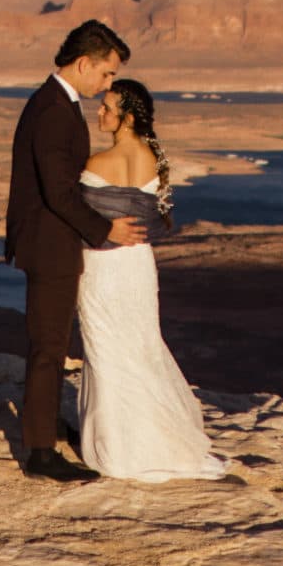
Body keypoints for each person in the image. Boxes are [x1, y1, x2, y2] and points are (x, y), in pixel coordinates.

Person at [5, 20, 146, 482]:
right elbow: (58, 193)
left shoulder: (59, 104)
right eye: (106, 74)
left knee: (52, 344)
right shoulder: (52, 110)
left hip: (55, 245)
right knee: (47, 348)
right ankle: (40, 453)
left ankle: (42, 428)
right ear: (84, 63)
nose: (108, 84)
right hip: (49, 248)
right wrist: (106, 230)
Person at [68, 79, 226, 481]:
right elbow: (150, 218)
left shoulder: (95, 165)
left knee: (106, 351)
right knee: (138, 347)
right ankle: (153, 438)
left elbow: (77, 217)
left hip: (103, 269)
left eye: (106, 108)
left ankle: (119, 450)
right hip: (138, 265)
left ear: (128, 118)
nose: (99, 113)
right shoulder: (155, 161)